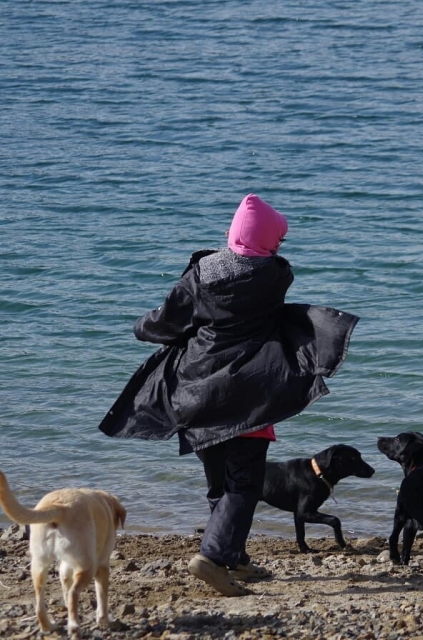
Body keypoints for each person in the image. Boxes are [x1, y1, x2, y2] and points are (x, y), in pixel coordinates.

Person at [99, 193, 359, 597]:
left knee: (221, 484)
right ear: (269, 243)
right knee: (245, 486)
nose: (280, 247)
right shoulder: (277, 275)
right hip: (250, 399)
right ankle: (214, 556)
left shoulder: (202, 274)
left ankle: (233, 557)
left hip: (196, 395)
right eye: (278, 239)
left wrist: (141, 327)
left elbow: (166, 322)